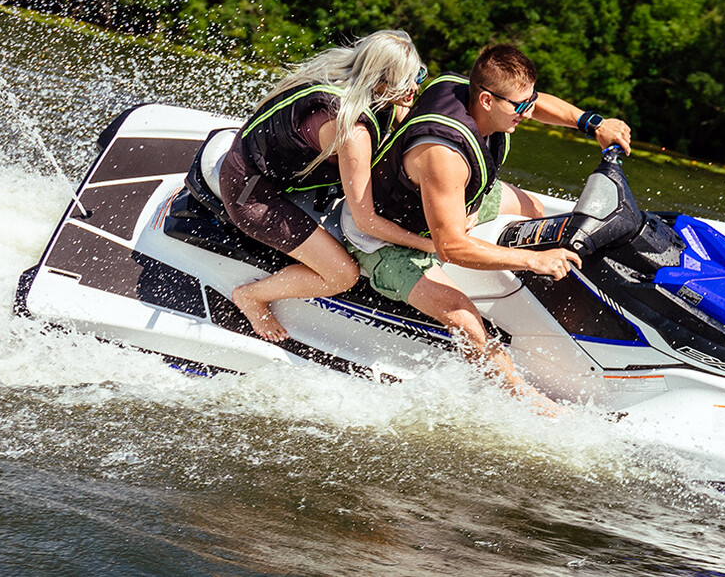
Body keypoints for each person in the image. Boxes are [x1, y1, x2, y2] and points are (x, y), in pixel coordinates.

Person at [346, 44, 634, 414]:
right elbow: (450, 246)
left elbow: (536, 100)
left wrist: (592, 123)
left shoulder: (477, 93)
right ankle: (524, 399)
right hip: (387, 238)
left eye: (528, 102)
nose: (528, 113)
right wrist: (535, 262)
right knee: (463, 315)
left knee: (535, 209)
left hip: (460, 199)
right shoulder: (444, 155)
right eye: (520, 107)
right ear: (485, 100)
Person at [222, 30, 437, 341]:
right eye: (407, 82)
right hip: (251, 194)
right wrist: (430, 245)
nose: (415, 87)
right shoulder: (353, 134)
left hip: (257, 159)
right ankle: (252, 296)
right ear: (379, 83)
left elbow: (405, 116)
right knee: (342, 274)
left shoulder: (345, 77)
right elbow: (366, 222)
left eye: (418, 74)